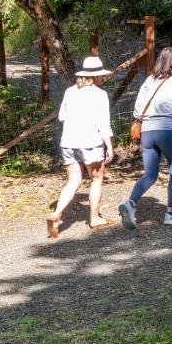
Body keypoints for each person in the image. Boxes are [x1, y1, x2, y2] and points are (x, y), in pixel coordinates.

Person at [118, 47, 172, 228]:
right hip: (167, 130)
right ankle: (171, 213)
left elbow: (137, 110)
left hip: (147, 131)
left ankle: (130, 203)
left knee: (150, 174)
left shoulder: (149, 80)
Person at [47, 55, 115, 238]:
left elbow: (62, 116)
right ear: (96, 76)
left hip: (69, 143)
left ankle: (56, 214)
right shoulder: (100, 94)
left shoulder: (70, 91)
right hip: (90, 143)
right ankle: (94, 218)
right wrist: (109, 146)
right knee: (96, 179)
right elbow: (103, 124)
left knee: (73, 180)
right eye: (101, 75)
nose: (103, 77)